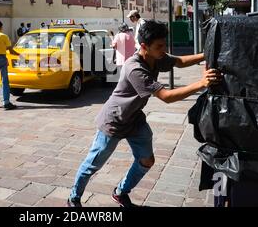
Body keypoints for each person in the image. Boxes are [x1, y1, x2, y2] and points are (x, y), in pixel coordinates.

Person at [67, 20, 221, 207]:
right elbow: (166, 96)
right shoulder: (135, 68)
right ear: (144, 46)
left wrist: (206, 55)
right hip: (114, 121)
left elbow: (179, 62)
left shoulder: (156, 57)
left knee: (147, 160)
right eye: (159, 46)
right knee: (93, 164)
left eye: (164, 44)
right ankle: (74, 198)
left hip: (135, 120)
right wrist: (201, 83)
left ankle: (121, 192)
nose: (163, 49)